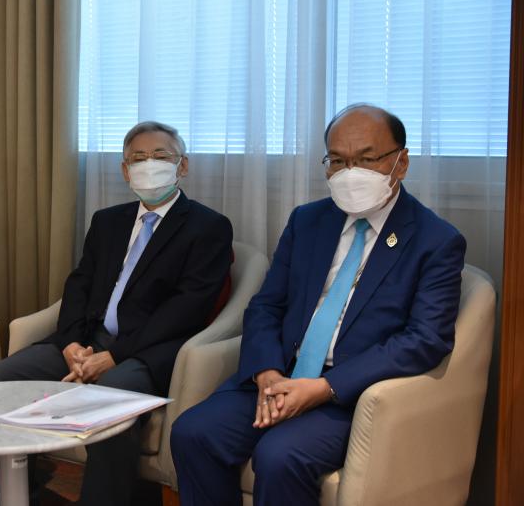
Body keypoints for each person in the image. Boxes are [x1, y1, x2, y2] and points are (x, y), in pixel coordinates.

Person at [170, 104, 467, 506]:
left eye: (366, 159)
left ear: (401, 162)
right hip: (281, 375)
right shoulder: (307, 221)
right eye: (338, 161)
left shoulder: (436, 240)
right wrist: (267, 372)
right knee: (193, 433)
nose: (350, 173)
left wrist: (326, 387)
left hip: (349, 394)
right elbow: (266, 305)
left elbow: (425, 339)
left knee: (279, 457)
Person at [0, 121, 233, 506]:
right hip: (88, 340)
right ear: (125, 170)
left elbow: (186, 309)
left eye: (160, 156)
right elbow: (79, 285)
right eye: (138, 158)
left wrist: (114, 355)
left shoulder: (208, 226)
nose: (149, 165)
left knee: (109, 396)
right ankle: (4, 497)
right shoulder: (108, 221)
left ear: (182, 165)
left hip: (149, 351)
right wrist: (71, 344)